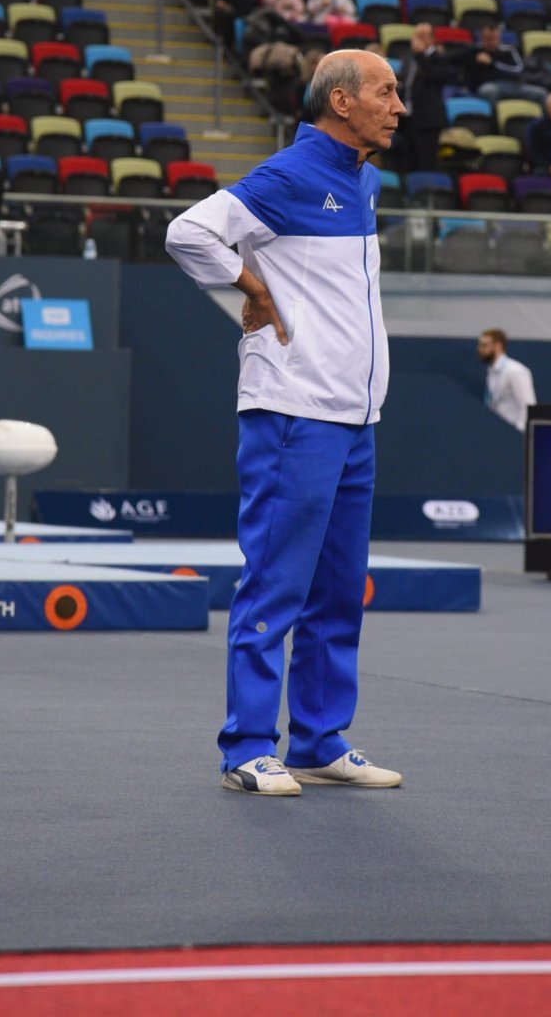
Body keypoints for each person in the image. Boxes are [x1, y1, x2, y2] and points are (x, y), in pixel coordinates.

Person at [165, 49, 405, 796]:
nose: (399, 107)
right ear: (340, 102)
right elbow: (187, 232)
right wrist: (250, 286)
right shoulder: (290, 173)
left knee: (339, 590)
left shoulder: (363, 179)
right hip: (294, 414)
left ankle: (319, 738)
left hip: (354, 417)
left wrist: (263, 282)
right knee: (276, 583)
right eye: (386, 93)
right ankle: (245, 747)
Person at [399, 21, 468, 172]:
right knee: (408, 163)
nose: (418, 41)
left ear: (431, 39)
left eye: (422, 37)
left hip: (428, 121)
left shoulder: (440, 58)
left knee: (425, 164)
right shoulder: (409, 58)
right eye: (416, 36)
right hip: (408, 119)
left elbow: (434, 76)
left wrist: (420, 55)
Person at [470, 23, 548, 107]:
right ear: (482, 38)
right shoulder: (475, 52)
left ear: (499, 38)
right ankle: (495, 119)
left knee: (541, 94)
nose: (491, 42)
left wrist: (492, 63)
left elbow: (518, 71)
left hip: (514, 85)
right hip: (492, 85)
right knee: (487, 91)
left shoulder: (509, 50)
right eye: (488, 39)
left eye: (494, 39)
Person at [477, 327, 536, 432]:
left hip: (513, 434)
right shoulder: (491, 372)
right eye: (480, 345)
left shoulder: (515, 370)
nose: (480, 349)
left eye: (484, 345)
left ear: (498, 346)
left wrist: (518, 435)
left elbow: (528, 407)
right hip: (498, 433)